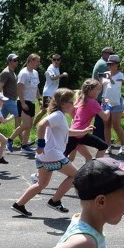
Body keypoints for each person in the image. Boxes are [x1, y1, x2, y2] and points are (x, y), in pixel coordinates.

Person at [12, 88, 93, 217]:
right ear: (63, 104)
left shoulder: (59, 116)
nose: (73, 105)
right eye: (71, 102)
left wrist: (83, 132)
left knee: (42, 183)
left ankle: (19, 204)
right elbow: (41, 125)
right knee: (75, 176)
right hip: (52, 154)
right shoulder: (57, 115)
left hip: (44, 156)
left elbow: (66, 132)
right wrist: (40, 144)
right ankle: (55, 201)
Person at [64, 79, 109, 162]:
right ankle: (97, 169)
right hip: (78, 135)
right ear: (90, 90)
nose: (99, 91)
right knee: (61, 159)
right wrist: (108, 106)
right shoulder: (93, 102)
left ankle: (90, 173)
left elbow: (72, 112)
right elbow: (105, 117)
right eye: (97, 89)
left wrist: (78, 122)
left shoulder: (80, 99)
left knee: (85, 158)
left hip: (77, 133)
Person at [6, 53, 41, 153]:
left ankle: (24, 146)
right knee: (25, 124)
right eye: (37, 61)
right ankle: (10, 140)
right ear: (31, 60)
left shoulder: (35, 73)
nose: (38, 63)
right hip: (23, 101)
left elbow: (36, 87)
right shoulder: (24, 73)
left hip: (31, 101)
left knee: (29, 125)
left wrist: (39, 99)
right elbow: (19, 88)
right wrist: (22, 103)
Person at [102, 54, 124, 154]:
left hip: (116, 101)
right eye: (108, 64)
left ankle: (123, 145)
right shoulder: (105, 74)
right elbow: (102, 87)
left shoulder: (120, 75)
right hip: (106, 101)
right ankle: (108, 146)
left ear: (117, 64)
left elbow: (116, 84)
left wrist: (110, 78)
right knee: (107, 125)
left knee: (116, 125)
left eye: (112, 64)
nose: (110, 66)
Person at [91, 46, 114, 141]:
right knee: (102, 117)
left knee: (99, 116)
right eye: (110, 54)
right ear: (104, 53)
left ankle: (98, 137)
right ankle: (101, 138)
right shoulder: (104, 64)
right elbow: (110, 79)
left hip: (98, 92)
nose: (112, 56)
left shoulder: (100, 62)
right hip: (101, 93)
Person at [38, 54, 67, 125]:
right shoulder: (51, 68)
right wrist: (63, 75)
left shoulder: (56, 68)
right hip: (48, 93)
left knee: (45, 110)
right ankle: (41, 125)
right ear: (52, 60)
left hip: (53, 93)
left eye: (58, 60)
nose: (56, 61)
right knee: (47, 110)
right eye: (54, 59)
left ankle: (36, 125)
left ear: (60, 61)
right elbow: (52, 77)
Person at [0, 54, 20, 124]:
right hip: (8, 100)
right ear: (9, 61)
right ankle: (19, 134)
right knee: (19, 114)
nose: (17, 62)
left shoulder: (12, 72)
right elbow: (0, 86)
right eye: (15, 60)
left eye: (17, 60)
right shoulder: (6, 72)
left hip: (12, 99)